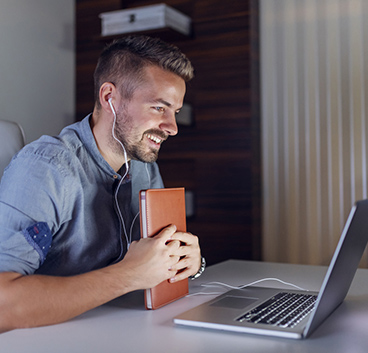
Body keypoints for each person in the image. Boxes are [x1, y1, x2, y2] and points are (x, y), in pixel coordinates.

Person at [0, 35, 204, 333]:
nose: (172, 127)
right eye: (159, 108)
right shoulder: (44, 168)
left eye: (175, 111)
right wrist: (130, 274)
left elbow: (154, 263)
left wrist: (189, 262)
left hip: (118, 330)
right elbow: (3, 303)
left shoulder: (146, 167)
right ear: (110, 97)